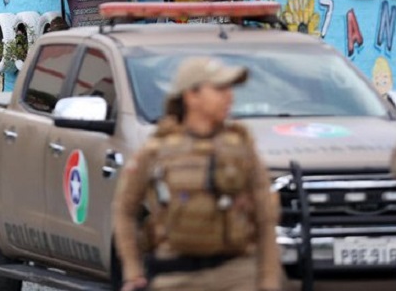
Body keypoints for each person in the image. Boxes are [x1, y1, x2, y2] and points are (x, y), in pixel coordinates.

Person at [112, 57, 281, 291]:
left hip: (236, 275)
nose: (229, 96)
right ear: (192, 96)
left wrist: (269, 281)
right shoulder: (157, 151)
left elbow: (266, 218)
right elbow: (124, 210)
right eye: (219, 89)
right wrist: (133, 273)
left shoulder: (241, 147)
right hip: (176, 276)